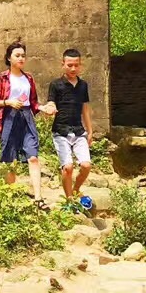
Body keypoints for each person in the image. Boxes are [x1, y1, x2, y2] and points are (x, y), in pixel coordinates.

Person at [0, 41, 47, 208]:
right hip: (8, 118)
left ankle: (38, 198)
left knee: (33, 157)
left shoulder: (28, 78)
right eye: (17, 55)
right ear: (9, 58)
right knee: (10, 160)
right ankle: (11, 197)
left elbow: (34, 102)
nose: (21, 58)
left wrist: (43, 108)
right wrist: (8, 102)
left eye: (23, 55)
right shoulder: (1, 78)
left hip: (26, 118)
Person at [42, 48, 94, 207]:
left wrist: (90, 131)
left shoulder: (83, 85)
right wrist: (49, 109)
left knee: (86, 165)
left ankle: (76, 189)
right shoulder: (56, 85)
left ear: (80, 66)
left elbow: (85, 108)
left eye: (76, 65)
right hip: (61, 131)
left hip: (78, 131)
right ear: (63, 64)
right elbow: (51, 102)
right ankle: (69, 200)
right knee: (68, 167)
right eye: (70, 65)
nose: (73, 68)